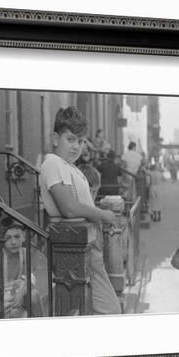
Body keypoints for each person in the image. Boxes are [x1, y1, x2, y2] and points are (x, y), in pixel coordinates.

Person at [39, 106, 121, 315]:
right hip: (75, 249)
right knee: (110, 311)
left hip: (87, 246)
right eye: (70, 139)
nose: (76, 146)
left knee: (88, 311)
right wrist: (104, 215)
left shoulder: (69, 167)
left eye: (80, 141)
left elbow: (79, 203)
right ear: (56, 139)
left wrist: (96, 209)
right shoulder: (54, 164)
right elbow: (69, 208)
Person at [0, 219, 45, 318]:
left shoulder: (24, 252)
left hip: (17, 295)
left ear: (23, 237)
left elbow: (29, 275)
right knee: (19, 315)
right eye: (8, 238)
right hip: (1, 298)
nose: (13, 242)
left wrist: (22, 292)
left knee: (34, 294)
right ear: (1, 239)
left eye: (17, 237)